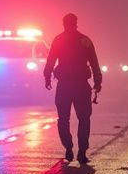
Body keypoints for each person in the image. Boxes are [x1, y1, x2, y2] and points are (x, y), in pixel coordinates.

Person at [43, 12, 103, 164]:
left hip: (64, 85)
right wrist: (97, 82)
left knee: (63, 118)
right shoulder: (85, 40)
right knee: (84, 118)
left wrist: (47, 77)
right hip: (81, 85)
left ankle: (68, 148)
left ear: (64, 23)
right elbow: (94, 63)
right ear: (76, 23)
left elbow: (51, 60)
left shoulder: (59, 40)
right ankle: (82, 152)